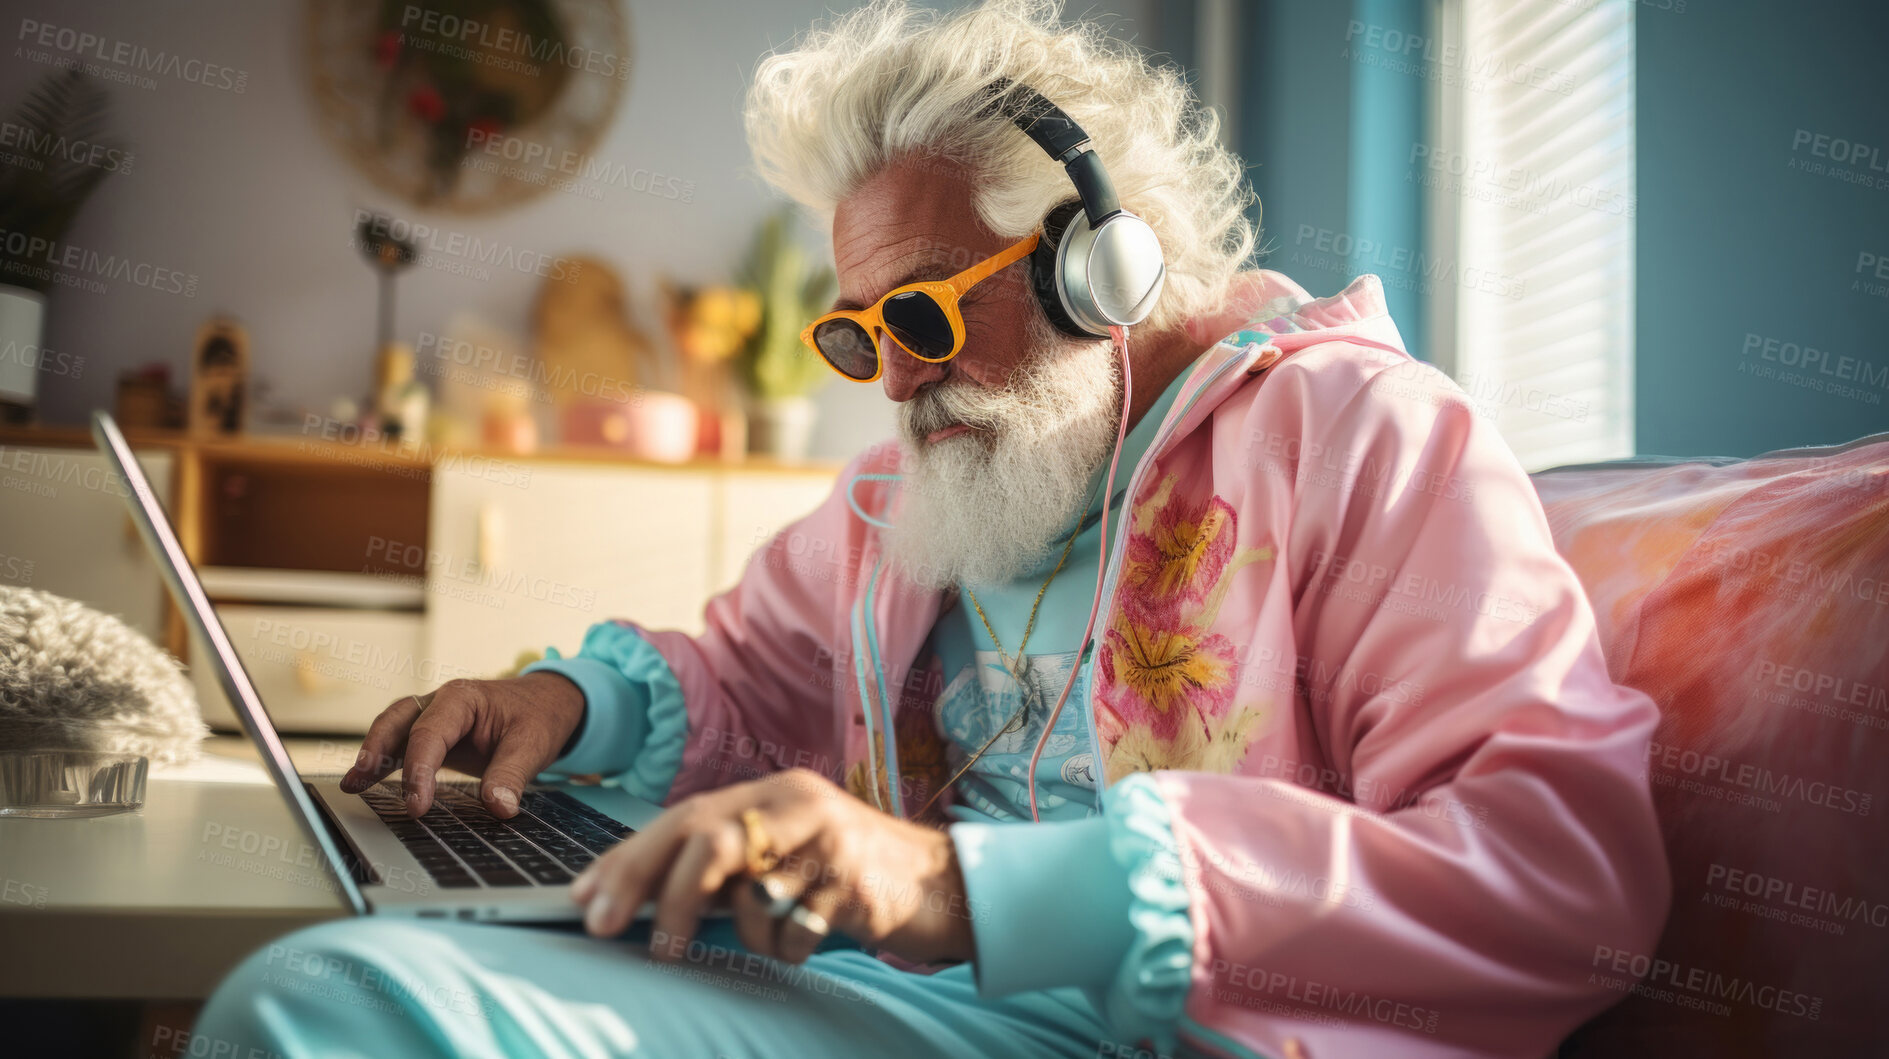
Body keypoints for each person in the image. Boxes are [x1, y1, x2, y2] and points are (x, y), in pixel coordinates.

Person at [194, 2, 1669, 1056]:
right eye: (859, 336)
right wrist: (558, 702)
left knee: (329, 1015)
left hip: (1191, 1030)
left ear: (1104, 269)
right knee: (347, 989)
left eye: (921, 312)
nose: (893, 378)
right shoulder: (910, 502)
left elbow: (1560, 878)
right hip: (907, 1001)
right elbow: (748, 681)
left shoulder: (1359, 440)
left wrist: (950, 885)